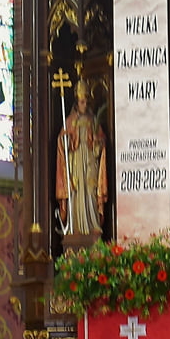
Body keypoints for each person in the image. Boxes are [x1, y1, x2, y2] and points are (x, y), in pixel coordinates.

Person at [55, 84, 110, 237]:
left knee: (91, 190)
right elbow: (62, 144)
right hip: (76, 160)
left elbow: (101, 141)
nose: (84, 105)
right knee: (76, 190)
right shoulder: (69, 121)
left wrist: (98, 143)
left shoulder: (93, 120)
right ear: (77, 102)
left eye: (86, 101)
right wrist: (65, 140)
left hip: (90, 159)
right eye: (81, 102)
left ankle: (93, 223)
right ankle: (76, 226)